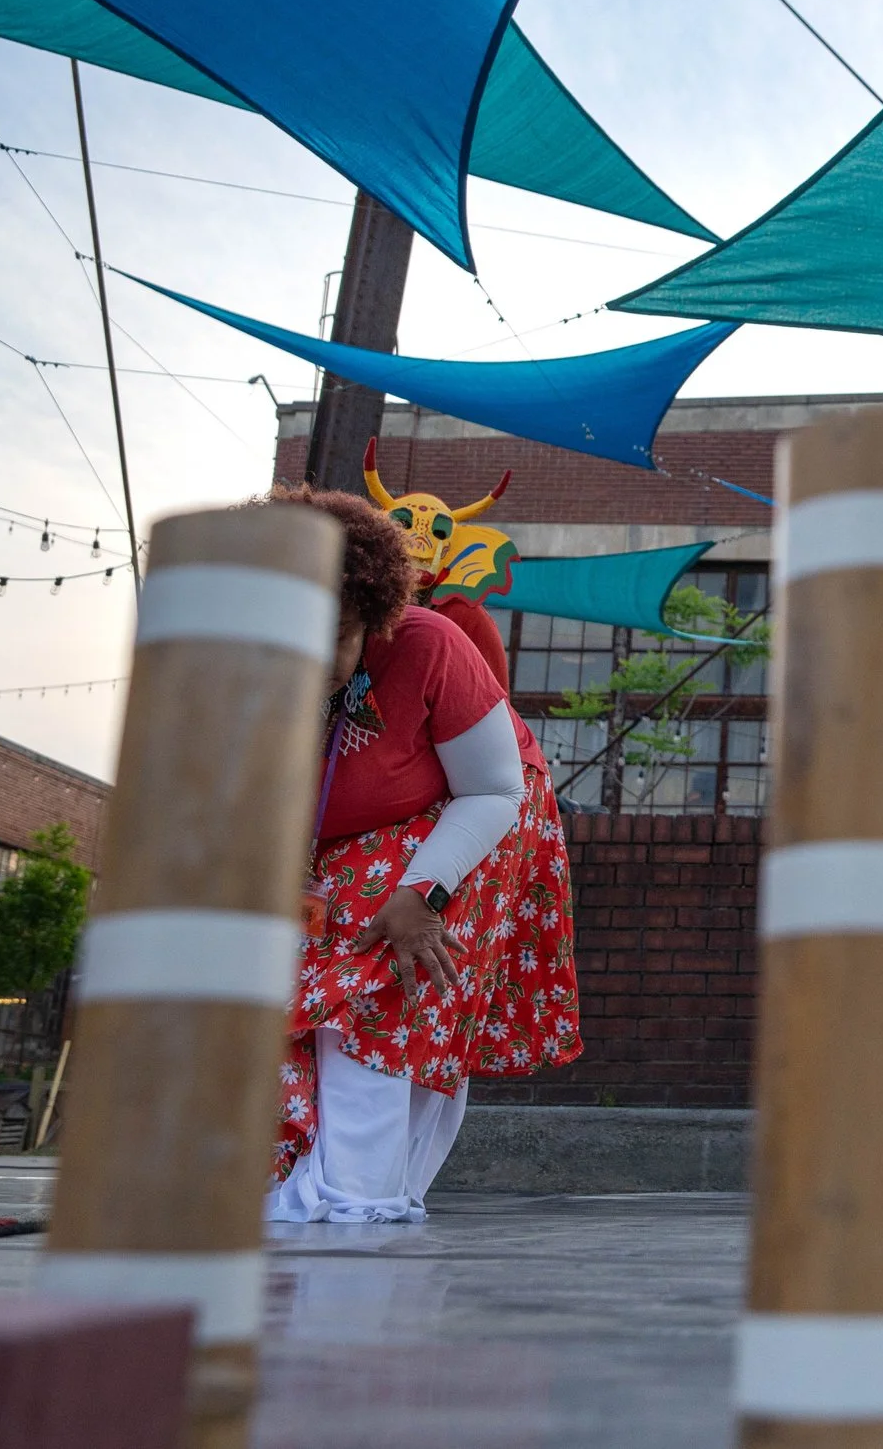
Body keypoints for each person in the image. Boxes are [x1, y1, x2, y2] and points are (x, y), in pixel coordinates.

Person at [266, 487, 581, 1223]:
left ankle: (358, 1195)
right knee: (304, 993)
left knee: (383, 974)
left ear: (372, 611)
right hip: (340, 842)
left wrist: (424, 891)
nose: (319, 664)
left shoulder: (430, 642)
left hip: (482, 807)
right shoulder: (244, 681)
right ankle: (332, 1186)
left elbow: (493, 790)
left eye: (337, 638)